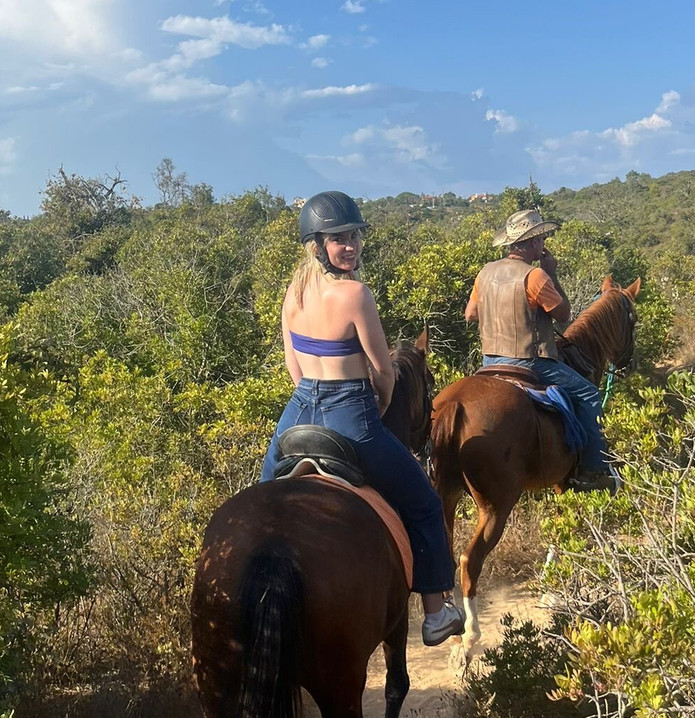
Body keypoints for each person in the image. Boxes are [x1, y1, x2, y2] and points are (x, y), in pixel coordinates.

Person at [259, 190, 465, 646]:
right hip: (350, 411)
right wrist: (380, 401)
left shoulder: (293, 295)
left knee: (261, 497)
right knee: (423, 502)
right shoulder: (355, 294)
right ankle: (434, 613)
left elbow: (294, 369)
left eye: (353, 236)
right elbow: (384, 370)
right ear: (317, 245)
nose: (349, 245)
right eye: (338, 238)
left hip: (298, 411)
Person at [464, 209, 617, 492]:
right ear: (533, 243)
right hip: (530, 362)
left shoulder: (485, 273)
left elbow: (470, 315)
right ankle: (593, 469)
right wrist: (552, 274)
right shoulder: (535, 276)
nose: (544, 242)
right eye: (542, 238)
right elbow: (563, 315)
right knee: (589, 395)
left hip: (489, 360)